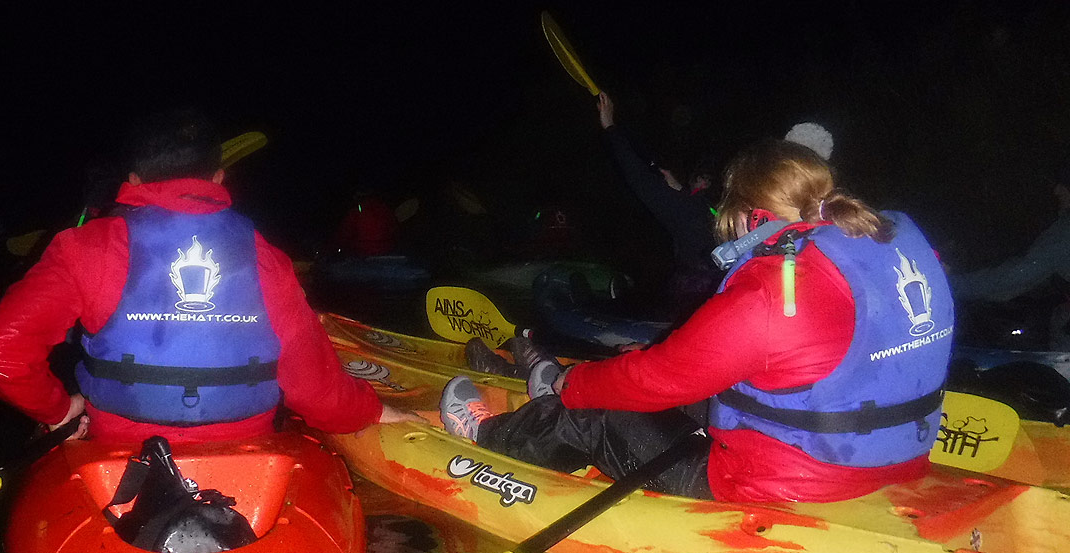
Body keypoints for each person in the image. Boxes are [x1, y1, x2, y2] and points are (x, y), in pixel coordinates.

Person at [441, 139, 954, 504]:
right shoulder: (891, 242)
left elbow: (654, 381)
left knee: (599, 411)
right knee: (679, 385)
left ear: (752, 218)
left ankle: (490, 437)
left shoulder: (772, 291)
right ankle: (551, 384)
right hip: (904, 458)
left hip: (791, 482)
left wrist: (574, 384)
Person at [0, 108, 419, 443]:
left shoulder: (83, 246)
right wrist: (375, 412)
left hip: (117, 445)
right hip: (244, 445)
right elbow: (314, 389)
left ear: (132, 178)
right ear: (219, 178)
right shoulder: (265, 256)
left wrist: (56, 410)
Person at [596, 91, 723, 319]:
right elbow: (698, 208)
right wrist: (681, 191)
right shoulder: (713, 211)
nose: (702, 182)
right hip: (720, 291)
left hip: (695, 298)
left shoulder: (688, 209)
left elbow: (638, 176)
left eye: (706, 179)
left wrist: (609, 126)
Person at [948, 161, 1070, 349]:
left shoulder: (1064, 234)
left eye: (1064, 185)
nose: (1057, 191)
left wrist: (946, 285)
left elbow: (1012, 279)